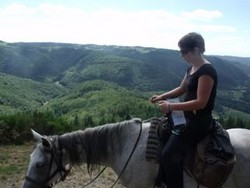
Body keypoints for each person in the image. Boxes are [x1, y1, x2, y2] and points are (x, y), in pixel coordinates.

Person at [150, 32, 218, 188]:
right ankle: (162, 180)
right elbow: (181, 89)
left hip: (199, 121)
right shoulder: (192, 68)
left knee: (168, 155)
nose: (182, 55)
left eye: (184, 51)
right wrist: (161, 96)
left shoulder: (207, 71)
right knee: (162, 133)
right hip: (187, 116)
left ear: (196, 50)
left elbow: (201, 103)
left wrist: (170, 106)